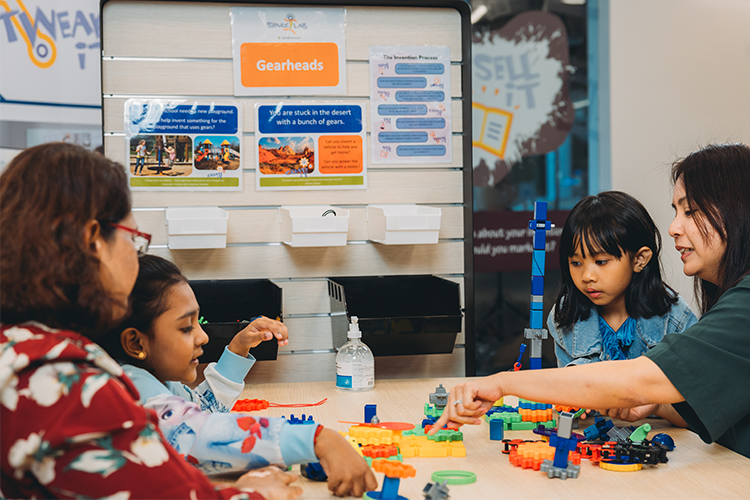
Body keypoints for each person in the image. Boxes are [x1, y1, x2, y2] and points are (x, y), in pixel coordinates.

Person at [0, 143, 375, 499]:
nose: (135, 258)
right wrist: (265, 482)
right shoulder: (65, 383)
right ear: (94, 240)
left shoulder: (22, 352)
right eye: (133, 241)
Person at [432, 143, 750, 459]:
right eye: (675, 211)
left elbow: (641, 382)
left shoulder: (729, 309)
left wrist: (502, 383)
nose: (673, 228)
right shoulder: (565, 318)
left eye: (690, 211)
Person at [101, 255, 360, 478]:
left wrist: (238, 349)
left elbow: (203, 413)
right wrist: (313, 439)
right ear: (135, 343)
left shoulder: (156, 379)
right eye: (186, 327)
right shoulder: (131, 388)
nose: (203, 337)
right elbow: (196, 436)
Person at [549, 191, 697, 367]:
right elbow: (568, 391)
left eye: (601, 262)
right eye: (576, 263)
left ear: (639, 259)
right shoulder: (564, 317)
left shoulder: (675, 319)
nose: (587, 276)